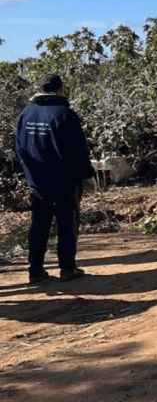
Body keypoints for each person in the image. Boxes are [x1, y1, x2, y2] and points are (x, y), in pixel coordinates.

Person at [15, 74, 96, 284]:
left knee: (39, 224)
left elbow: (19, 148)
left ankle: (35, 271)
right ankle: (68, 268)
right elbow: (79, 149)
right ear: (61, 90)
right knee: (67, 222)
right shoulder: (65, 114)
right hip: (65, 180)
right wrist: (87, 175)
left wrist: (28, 173)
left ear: (39, 88)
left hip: (37, 181)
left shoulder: (26, 113)